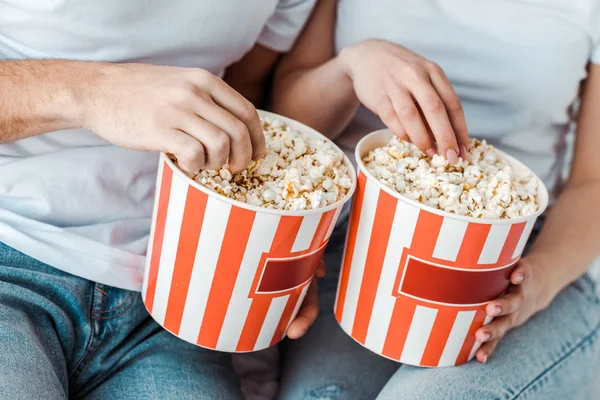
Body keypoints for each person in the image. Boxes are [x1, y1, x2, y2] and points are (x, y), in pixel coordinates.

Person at [272, 0, 600, 398]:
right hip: (360, 248)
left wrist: (539, 282)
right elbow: (287, 122)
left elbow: (593, 182)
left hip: (520, 260)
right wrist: (351, 66)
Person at [0, 1, 320, 398]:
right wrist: (90, 90)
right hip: (10, 247)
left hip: (176, 284)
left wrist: (276, 239)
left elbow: (244, 94)